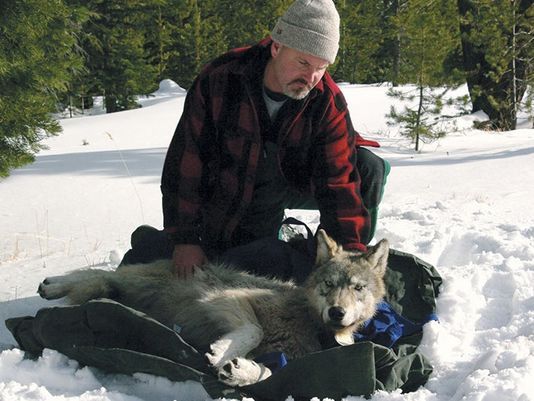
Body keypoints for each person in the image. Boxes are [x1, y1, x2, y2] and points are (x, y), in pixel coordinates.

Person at [142, 0, 389, 280]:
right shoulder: (222, 79)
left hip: (292, 178)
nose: (310, 77)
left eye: (321, 67)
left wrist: (346, 264)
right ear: (276, 47)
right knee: (228, 260)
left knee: (367, 166)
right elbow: (186, 162)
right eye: (303, 62)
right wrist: (186, 238)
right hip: (230, 183)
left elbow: (338, 183)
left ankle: (343, 256)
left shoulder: (326, 101)